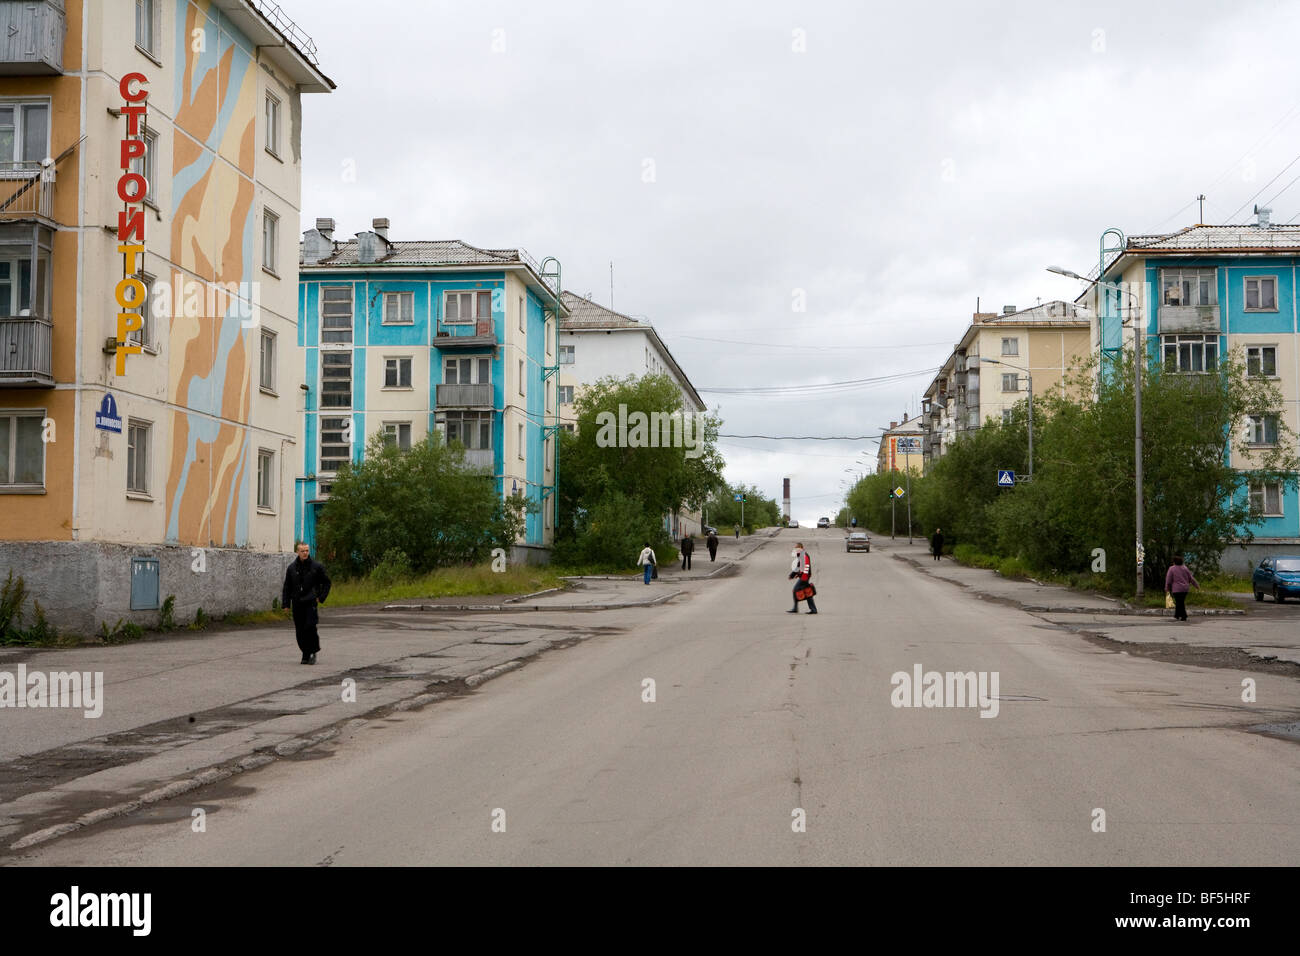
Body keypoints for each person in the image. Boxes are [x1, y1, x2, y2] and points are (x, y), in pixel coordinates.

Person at [281, 541, 331, 664]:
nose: (305, 553)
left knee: (310, 627)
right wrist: (286, 604)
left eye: (307, 551)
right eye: (302, 551)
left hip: (311, 602)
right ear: (298, 552)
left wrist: (320, 597)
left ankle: (313, 652)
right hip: (297, 603)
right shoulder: (292, 568)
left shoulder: (316, 567)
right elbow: (287, 586)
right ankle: (305, 653)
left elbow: (326, 582)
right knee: (300, 630)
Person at [1165, 554, 1199, 622]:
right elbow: (1191, 578)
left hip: (1177, 589)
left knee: (1179, 602)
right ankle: (1177, 616)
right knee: (1180, 602)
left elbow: (1168, 580)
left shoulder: (1171, 568)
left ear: (1174, 562)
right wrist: (1196, 585)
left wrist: (1167, 588)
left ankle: (1184, 616)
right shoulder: (1185, 568)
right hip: (1185, 589)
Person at [787, 542, 818, 614]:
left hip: (805, 577)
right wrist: (792, 575)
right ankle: (813, 609)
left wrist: (803, 576)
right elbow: (799, 566)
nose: (796, 550)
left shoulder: (804, 555)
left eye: (797, 549)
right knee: (807, 592)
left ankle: (795, 608)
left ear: (800, 548)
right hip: (804, 576)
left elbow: (806, 566)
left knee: (795, 590)